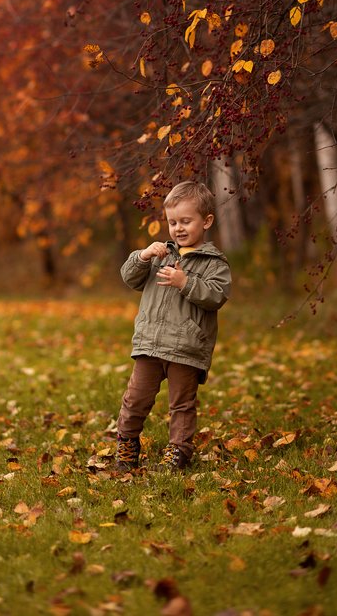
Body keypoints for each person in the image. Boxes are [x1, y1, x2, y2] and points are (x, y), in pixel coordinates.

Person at [114, 181, 232, 472]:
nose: (178, 228)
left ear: (206, 221)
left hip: (186, 347)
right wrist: (142, 256)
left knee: (181, 404)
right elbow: (130, 279)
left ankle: (179, 451)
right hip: (151, 343)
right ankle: (127, 443)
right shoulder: (161, 254)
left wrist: (186, 282)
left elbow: (217, 295)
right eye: (172, 222)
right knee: (136, 399)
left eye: (186, 221)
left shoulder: (213, 262)